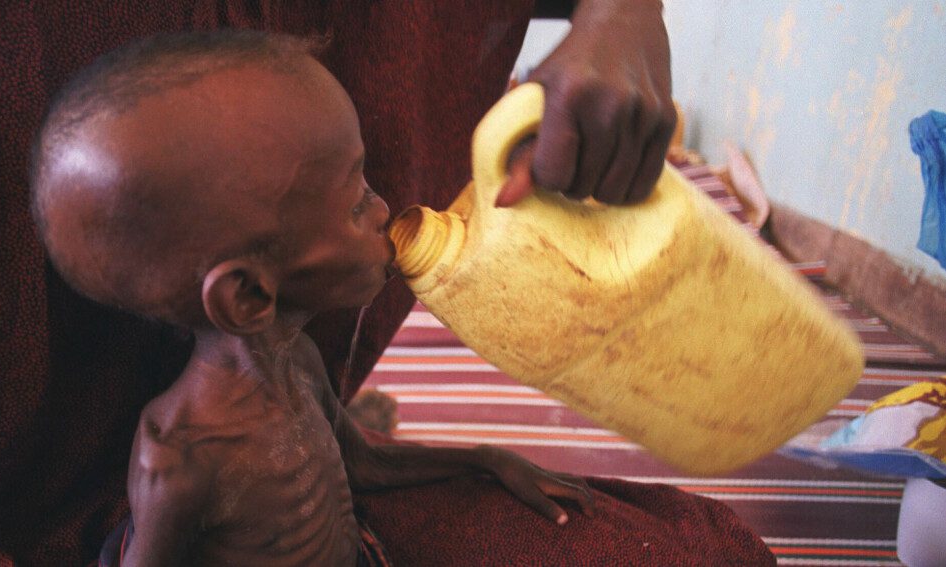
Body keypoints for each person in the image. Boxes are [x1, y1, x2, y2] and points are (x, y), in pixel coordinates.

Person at [29, 31, 597, 566]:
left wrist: (488, 460)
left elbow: (364, 464)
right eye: (357, 204)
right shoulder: (179, 463)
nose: (385, 210)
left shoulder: (298, 364)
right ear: (250, 294)